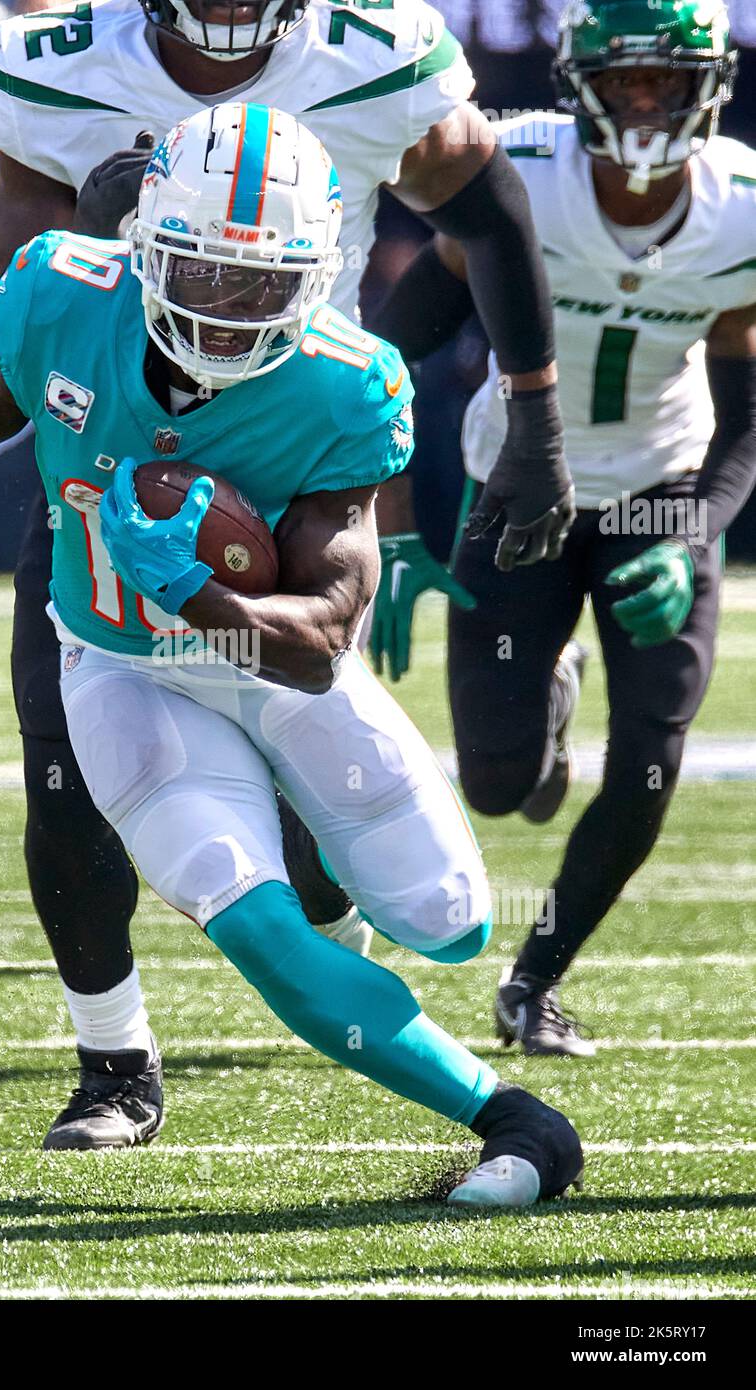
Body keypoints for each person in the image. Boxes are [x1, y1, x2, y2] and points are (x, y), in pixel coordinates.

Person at [0, 103, 584, 1206]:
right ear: (144, 247)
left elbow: (317, 640)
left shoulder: (342, 382)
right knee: (257, 928)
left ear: (315, 276)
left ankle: (328, 874)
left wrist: (193, 589)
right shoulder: (59, 299)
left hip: (265, 661)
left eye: (261, 283)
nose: (226, 312)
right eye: (201, 272)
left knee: (449, 921)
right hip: (119, 668)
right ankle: (513, 1119)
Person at [369, 0, 756, 1054]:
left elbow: (749, 414)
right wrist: (387, 525)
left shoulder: (741, 208)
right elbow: (381, 359)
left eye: (663, 81)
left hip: (659, 487)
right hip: (519, 483)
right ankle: (547, 694)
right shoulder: (516, 172)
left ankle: (533, 979)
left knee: (648, 753)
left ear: (706, 86)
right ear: (575, 81)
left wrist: (690, 533)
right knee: (496, 787)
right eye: (622, 80)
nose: (641, 102)